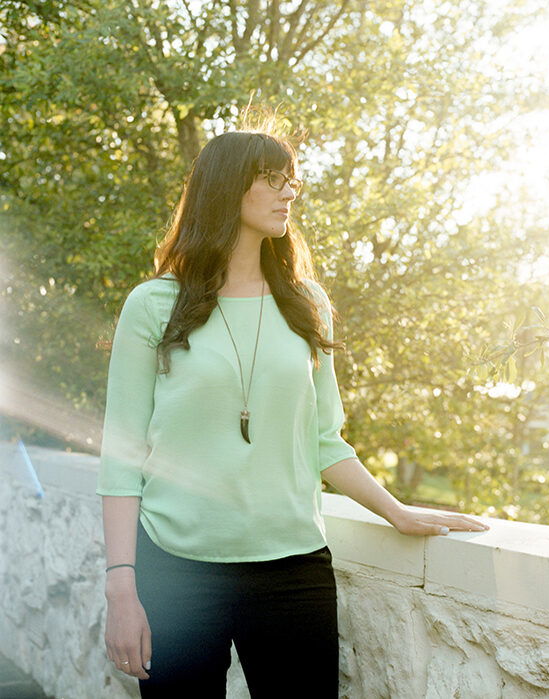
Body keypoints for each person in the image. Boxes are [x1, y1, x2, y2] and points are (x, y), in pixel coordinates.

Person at [97, 128, 489, 698]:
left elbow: (324, 440)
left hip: (293, 569)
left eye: (292, 182)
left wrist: (396, 510)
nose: (289, 194)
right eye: (273, 180)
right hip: (176, 568)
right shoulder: (154, 304)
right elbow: (122, 451)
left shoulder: (307, 304)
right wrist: (121, 588)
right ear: (228, 187)